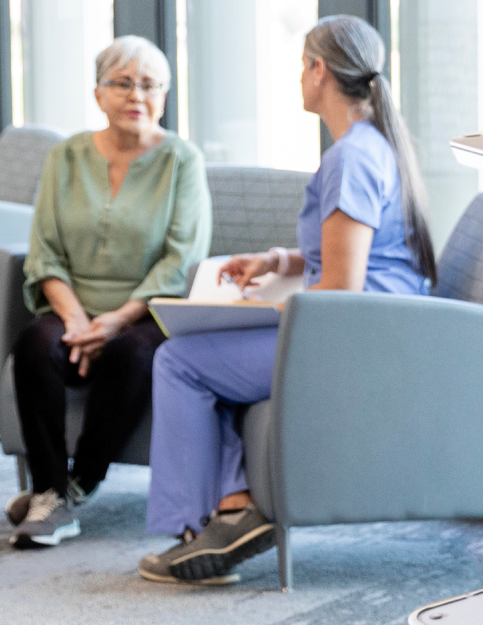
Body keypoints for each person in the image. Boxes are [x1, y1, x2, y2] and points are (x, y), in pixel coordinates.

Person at [135, 15, 435, 585]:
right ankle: (231, 508)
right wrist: (279, 262)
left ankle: (215, 515)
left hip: (350, 339)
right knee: (199, 352)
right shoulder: (373, 147)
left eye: (303, 65)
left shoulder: (350, 158)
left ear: (319, 70)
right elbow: (355, 254)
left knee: (179, 359)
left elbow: (341, 291)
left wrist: (251, 312)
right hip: (369, 328)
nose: (300, 77)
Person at [3, 36, 210, 549]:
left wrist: (117, 319)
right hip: (72, 302)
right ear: (99, 94)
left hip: (148, 310)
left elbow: (180, 259)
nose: (136, 95)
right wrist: (74, 320)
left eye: (149, 85)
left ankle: (81, 482)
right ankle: (49, 493)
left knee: (129, 354)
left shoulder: (182, 161)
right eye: (122, 83)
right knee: (35, 345)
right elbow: (44, 251)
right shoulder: (65, 157)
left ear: (164, 95)